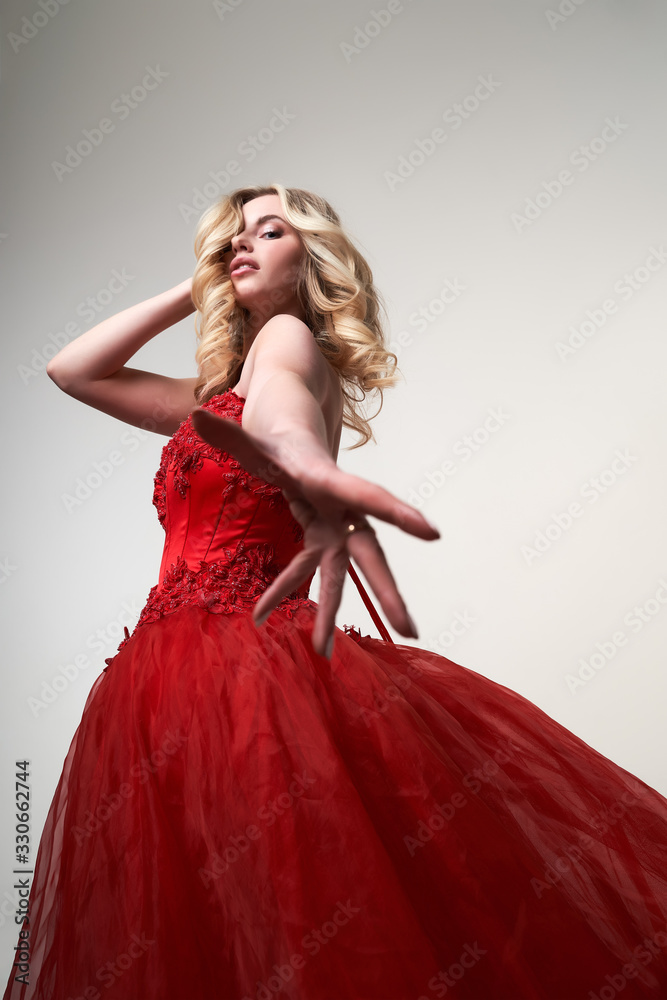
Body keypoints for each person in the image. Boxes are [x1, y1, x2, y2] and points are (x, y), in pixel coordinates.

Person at [4, 183, 667, 1000]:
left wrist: (306, 465)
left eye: (269, 231)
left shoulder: (285, 341)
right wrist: (201, 282)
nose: (241, 245)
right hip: (173, 681)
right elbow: (71, 370)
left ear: (310, 258)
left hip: (240, 679)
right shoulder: (208, 400)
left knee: (283, 922)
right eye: (231, 236)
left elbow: (280, 416)